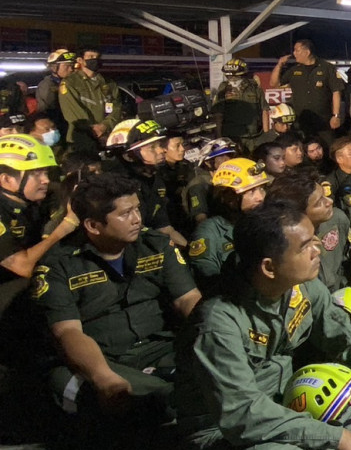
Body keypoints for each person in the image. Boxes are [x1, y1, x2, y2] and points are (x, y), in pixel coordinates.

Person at [174, 200, 351, 450]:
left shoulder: (300, 287)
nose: (318, 249)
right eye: (305, 246)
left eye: (315, 239)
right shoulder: (218, 322)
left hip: (286, 403)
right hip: (225, 431)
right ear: (269, 267)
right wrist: (335, 438)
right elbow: (242, 415)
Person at [34, 173, 202, 417]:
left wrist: (217, 337)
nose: (137, 218)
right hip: (101, 358)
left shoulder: (155, 245)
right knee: (77, 386)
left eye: (137, 208)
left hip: (161, 347)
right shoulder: (59, 265)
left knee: (213, 375)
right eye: (125, 213)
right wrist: (104, 377)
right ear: (93, 225)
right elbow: (68, 332)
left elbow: (188, 299)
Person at [0, 135, 78, 320]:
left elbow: (58, 188)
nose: (45, 180)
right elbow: (22, 266)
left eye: (45, 172)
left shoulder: (29, 201)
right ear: (6, 179)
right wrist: (66, 226)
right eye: (36, 174)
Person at [186, 158, 269, 293]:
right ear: (229, 197)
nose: (260, 197)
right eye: (251, 191)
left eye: (261, 189)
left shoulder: (266, 222)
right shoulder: (209, 231)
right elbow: (207, 279)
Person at [104, 119, 186, 248]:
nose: (161, 150)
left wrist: (190, 250)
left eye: (160, 144)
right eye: (152, 147)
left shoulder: (154, 178)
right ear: (129, 156)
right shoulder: (115, 186)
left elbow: (163, 227)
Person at [266, 169, 351, 291]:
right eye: (318, 203)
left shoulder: (337, 220)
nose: (330, 201)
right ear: (297, 213)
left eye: (325, 196)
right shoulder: (284, 243)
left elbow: (343, 262)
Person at [270, 40, 345, 139]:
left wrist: (336, 116)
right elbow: (274, 84)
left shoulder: (327, 68)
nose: (294, 53)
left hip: (323, 122)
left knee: (326, 146)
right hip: (300, 122)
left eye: (297, 50)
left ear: (307, 52)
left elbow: (336, 91)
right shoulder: (294, 70)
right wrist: (279, 65)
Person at [59, 48, 122, 150]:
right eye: (91, 57)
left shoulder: (108, 83)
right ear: (80, 60)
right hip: (82, 138)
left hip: (106, 137)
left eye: (97, 57)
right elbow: (73, 112)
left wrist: (104, 126)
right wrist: (93, 130)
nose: (95, 60)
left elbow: (116, 107)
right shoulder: (70, 83)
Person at [212, 58, 270, 153]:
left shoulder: (254, 87)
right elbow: (218, 114)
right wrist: (219, 136)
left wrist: (267, 135)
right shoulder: (223, 88)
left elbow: (265, 110)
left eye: (235, 75)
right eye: (229, 76)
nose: (232, 78)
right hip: (232, 135)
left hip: (253, 136)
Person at [37, 49, 76, 141]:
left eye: (72, 66)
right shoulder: (47, 85)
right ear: (54, 67)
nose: (71, 69)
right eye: (66, 66)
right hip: (57, 127)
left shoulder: (72, 84)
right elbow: (46, 110)